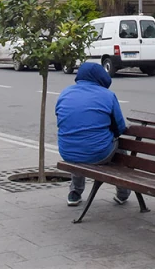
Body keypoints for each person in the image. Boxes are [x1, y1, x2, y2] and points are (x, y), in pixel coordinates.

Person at [55, 62, 131, 207]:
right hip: (98, 154)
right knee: (118, 146)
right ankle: (123, 193)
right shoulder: (108, 96)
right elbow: (120, 128)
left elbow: (62, 120)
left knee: (79, 145)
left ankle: (75, 193)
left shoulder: (65, 93)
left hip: (67, 152)